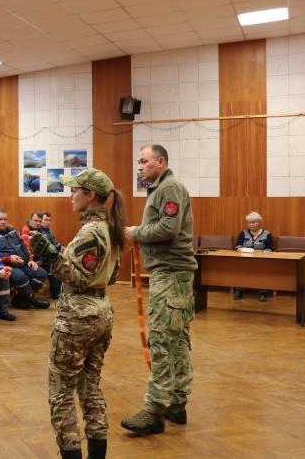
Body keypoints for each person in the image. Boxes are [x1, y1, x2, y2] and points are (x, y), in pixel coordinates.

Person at [48, 169, 125, 459]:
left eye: (75, 190)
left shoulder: (91, 231)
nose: (71, 196)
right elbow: (113, 275)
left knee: (61, 392)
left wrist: (51, 257)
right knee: (90, 388)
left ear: (90, 195)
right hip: (102, 312)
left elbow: (77, 277)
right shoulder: (111, 228)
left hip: (78, 316)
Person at [121, 144, 196, 435]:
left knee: (162, 340)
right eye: (138, 162)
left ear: (160, 162)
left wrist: (135, 232)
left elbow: (168, 228)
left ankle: (154, 410)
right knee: (176, 341)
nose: (139, 166)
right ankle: (176, 404)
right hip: (174, 273)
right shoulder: (160, 188)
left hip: (171, 273)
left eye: (144, 161)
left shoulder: (170, 187)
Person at [0, 210, 50, 309]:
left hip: (22, 262)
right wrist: (9, 258)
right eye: (0, 219)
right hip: (5, 265)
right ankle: (32, 299)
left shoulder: (12, 229)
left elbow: (23, 245)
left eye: (5, 219)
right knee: (19, 276)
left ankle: (19, 299)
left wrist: (30, 260)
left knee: (41, 273)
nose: (3, 221)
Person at [233, 212, 273, 301]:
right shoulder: (243, 233)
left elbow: (270, 248)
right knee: (239, 268)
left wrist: (263, 253)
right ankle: (239, 291)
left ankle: (263, 293)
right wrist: (241, 249)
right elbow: (237, 246)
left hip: (261, 260)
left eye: (254, 222)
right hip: (245, 259)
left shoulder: (267, 234)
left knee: (263, 270)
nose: (251, 224)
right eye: (249, 222)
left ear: (259, 222)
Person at [39, 212, 65, 300]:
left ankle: (62, 291)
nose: (48, 222)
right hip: (43, 258)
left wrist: (60, 246)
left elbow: (54, 243)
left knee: (62, 263)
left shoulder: (50, 231)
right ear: (41, 220)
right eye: (45, 220)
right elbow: (45, 247)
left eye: (49, 220)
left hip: (51, 255)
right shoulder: (39, 232)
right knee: (53, 265)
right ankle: (56, 293)